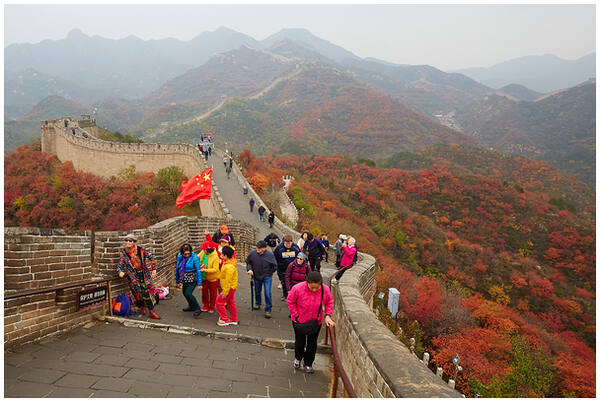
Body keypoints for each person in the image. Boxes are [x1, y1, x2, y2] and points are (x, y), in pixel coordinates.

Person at [287, 271, 335, 373]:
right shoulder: (297, 288)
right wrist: (296, 315)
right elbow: (290, 301)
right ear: (307, 282)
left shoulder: (325, 290)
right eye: (311, 287)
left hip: (315, 322)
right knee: (300, 342)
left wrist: (327, 315)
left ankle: (308, 363)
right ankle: (298, 358)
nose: (314, 290)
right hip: (299, 321)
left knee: (312, 344)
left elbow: (329, 302)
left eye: (316, 288)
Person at [116, 233, 160, 319]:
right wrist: (120, 271)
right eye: (126, 240)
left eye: (130, 241)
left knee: (147, 293)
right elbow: (120, 264)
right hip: (133, 277)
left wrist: (154, 269)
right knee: (137, 294)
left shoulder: (141, 250)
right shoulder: (124, 253)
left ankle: (151, 311)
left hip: (143, 274)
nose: (128, 242)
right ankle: (142, 307)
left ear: (134, 242)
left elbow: (152, 257)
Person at [246, 240, 277, 319]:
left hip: (267, 277)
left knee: (267, 292)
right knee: (257, 291)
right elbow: (248, 262)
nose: (257, 249)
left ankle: (268, 309)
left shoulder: (270, 255)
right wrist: (249, 269)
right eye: (257, 248)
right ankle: (258, 303)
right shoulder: (253, 253)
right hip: (256, 276)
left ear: (264, 248)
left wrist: (269, 273)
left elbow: (274, 266)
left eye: (259, 248)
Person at [175, 243, 203, 317]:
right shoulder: (180, 256)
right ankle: (191, 306)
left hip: (193, 278)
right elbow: (178, 267)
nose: (187, 255)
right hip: (184, 276)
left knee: (188, 293)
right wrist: (177, 279)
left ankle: (197, 308)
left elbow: (198, 270)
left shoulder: (195, 258)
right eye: (185, 254)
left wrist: (199, 283)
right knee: (184, 292)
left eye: (188, 253)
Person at [216, 245, 238, 326]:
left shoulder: (229, 267)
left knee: (219, 302)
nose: (220, 255)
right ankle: (233, 319)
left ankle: (224, 319)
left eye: (222, 254)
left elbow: (228, 281)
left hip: (228, 288)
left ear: (226, 256)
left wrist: (225, 293)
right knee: (231, 302)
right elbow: (223, 275)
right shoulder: (227, 263)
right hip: (231, 287)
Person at [274, 235, 300, 299]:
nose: (288, 245)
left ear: (292, 242)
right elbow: (275, 258)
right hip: (283, 269)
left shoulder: (295, 247)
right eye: (286, 243)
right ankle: (285, 295)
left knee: (293, 283)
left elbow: (299, 256)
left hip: (293, 269)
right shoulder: (279, 248)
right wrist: (277, 267)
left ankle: (293, 295)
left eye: (289, 243)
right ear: (284, 242)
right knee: (284, 283)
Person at [199, 240, 220, 313]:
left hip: (212, 278)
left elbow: (215, 269)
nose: (203, 250)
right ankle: (205, 305)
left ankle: (212, 306)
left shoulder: (215, 257)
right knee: (204, 292)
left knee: (213, 294)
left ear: (208, 250)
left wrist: (205, 270)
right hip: (204, 277)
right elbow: (197, 257)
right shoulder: (203, 252)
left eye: (204, 249)